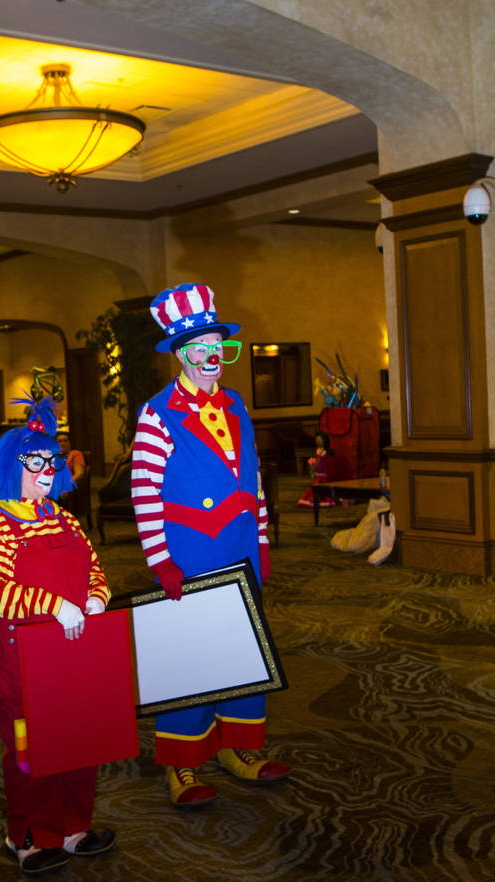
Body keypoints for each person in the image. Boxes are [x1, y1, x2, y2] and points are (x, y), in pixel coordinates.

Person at [131, 282, 290, 807]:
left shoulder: (236, 403)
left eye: (217, 347)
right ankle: (183, 764)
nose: (210, 358)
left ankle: (237, 748)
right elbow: (144, 494)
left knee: (243, 650)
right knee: (192, 657)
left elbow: (255, 478)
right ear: (179, 355)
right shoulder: (157, 414)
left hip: (240, 545)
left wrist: (262, 538)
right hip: (191, 551)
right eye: (197, 349)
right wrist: (161, 562)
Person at [0, 397, 117, 878]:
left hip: (77, 656)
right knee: (30, 750)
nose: (47, 470)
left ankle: (74, 827)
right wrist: (50, 604)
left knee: (80, 741)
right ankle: (29, 835)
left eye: (52, 461)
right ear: (11, 468)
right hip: (24, 663)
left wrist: (98, 597)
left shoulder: (66, 518)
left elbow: (95, 571)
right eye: (35, 462)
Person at [296, 432, 339, 508]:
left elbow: (318, 463)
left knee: (320, 489)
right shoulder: (318, 450)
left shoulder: (323, 452)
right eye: (317, 440)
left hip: (323, 475)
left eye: (320, 440)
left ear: (324, 440)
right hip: (318, 473)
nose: (318, 442)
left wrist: (313, 466)